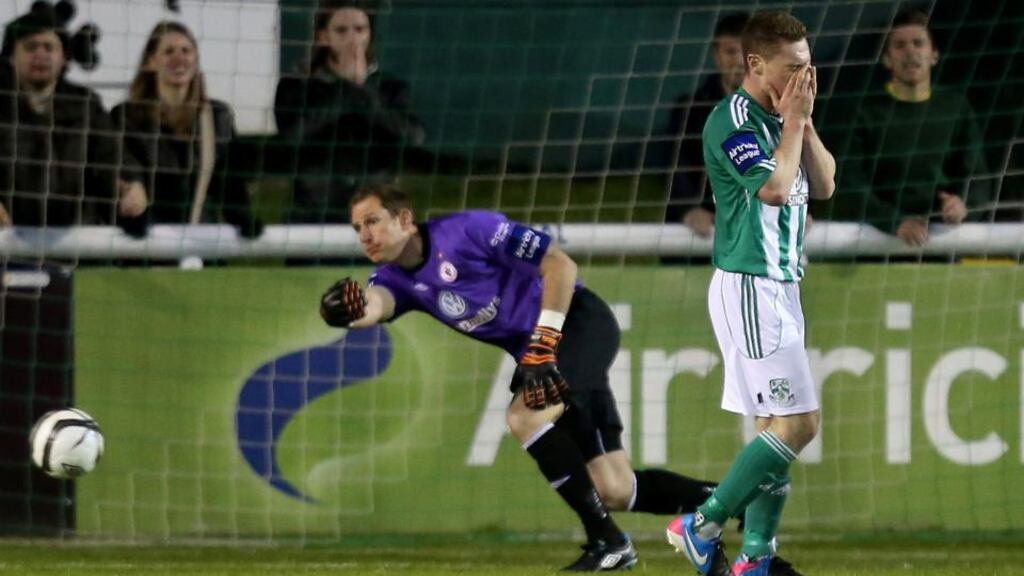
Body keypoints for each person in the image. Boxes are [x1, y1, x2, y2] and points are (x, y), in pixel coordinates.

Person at [320, 183, 723, 572]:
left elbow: (560, 266)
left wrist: (544, 342)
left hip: (579, 326)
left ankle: (610, 544)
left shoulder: (470, 230)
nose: (365, 235)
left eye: (372, 222)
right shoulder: (395, 279)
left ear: (404, 219)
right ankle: (737, 498)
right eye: (357, 229)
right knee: (615, 488)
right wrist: (345, 312)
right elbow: (376, 304)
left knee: (524, 417)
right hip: (542, 358)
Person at [666, 11, 834, 576]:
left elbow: (826, 183)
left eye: (808, 67)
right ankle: (702, 524)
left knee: (774, 426)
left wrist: (803, 124)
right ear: (756, 65)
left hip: (782, 286)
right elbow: (774, 188)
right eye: (794, 68)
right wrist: (791, 125)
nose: (805, 79)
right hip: (750, 285)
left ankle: (756, 556)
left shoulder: (788, 114)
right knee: (800, 423)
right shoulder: (731, 120)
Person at [832, 8, 990, 246]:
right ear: (886, 58)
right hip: (876, 242)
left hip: (942, 241)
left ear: (934, 54)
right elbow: (850, 185)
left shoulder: (956, 107)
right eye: (900, 45)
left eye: (918, 44)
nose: (910, 52)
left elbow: (978, 178)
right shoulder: (864, 112)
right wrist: (894, 222)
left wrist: (963, 205)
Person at [274, 0, 424, 225]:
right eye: (342, 30)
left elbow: (413, 136)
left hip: (378, 212)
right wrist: (345, 89)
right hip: (315, 212)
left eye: (360, 29)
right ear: (323, 36)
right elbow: (293, 134)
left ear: (370, 34)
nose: (353, 38)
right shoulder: (296, 86)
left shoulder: (390, 87)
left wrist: (364, 93)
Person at [0, 4, 146, 228]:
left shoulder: (86, 105)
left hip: (77, 246)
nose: (40, 54)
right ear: (11, 56)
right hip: (7, 247)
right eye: (30, 47)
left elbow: (112, 155)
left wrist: (132, 185)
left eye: (49, 47)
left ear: (63, 58)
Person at [111, 21, 262, 238]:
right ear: (151, 61)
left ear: (196, 59)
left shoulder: (218, 117)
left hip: (202, 241)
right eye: (169, 51)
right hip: (144, 241)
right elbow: (122, 172)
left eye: (186, 51)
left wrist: (241, 217)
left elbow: (229, 183)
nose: (179, 58)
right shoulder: (125, 117)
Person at [665, 12, 749, 240]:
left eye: (748, 51)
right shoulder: (690, 110)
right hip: (702, 230)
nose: (740, 60)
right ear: (716, 54)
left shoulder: (781, 110)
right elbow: (675, 165)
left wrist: (805, 209)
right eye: (731, 51)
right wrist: (689, 208)